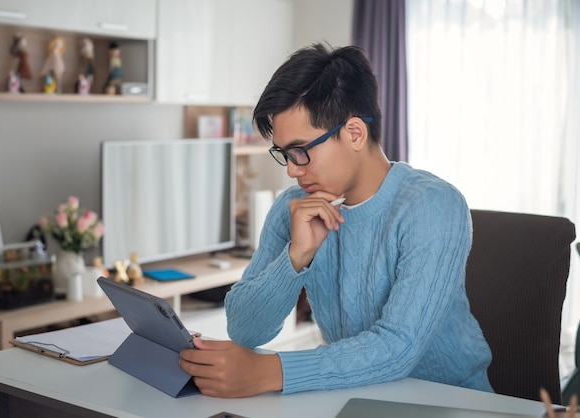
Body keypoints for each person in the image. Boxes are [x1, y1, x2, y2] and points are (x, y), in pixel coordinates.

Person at [179, 43, 493, 398]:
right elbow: (244, 330)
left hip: (453, 402)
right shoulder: (294, 207)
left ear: (354, 133)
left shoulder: (432, 206)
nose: (293, 170)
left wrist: (271, 371)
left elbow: (398, 347)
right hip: (355, 395)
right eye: (285, 155)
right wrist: (296, 257)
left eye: (301, 151)